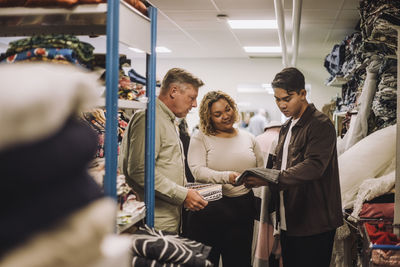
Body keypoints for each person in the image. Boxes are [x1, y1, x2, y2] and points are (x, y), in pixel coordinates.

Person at [242, 67, 343, 267]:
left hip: (314, 222)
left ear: (302, 93)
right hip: (289, 220)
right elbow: (282, 166)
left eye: (287, 98)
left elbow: (314, 166)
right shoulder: (287, 127)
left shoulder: (320, 124)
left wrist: (270, 178)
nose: (282, 105)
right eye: (277, 99)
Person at [120, 68, 208, 234]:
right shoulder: (150, 118)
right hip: (154, 223)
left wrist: (187, 189)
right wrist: (183, 194)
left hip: (166, 219)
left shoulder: (166, 119)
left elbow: (164, 165)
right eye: (192, 98)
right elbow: (139, 170)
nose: (195, 104)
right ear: (174, 91)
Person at [187, 90, 264, 267]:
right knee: (207, 262)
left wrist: (256, 179)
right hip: (209, 207)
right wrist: (226, 177)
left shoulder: (249, 137)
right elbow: (197, 171)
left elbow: (260, 169)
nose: (225, 116)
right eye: (218, 114)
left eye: (227, 110)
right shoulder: (201, 137)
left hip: (242, 208)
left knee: (239, 261)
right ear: (209, 117)